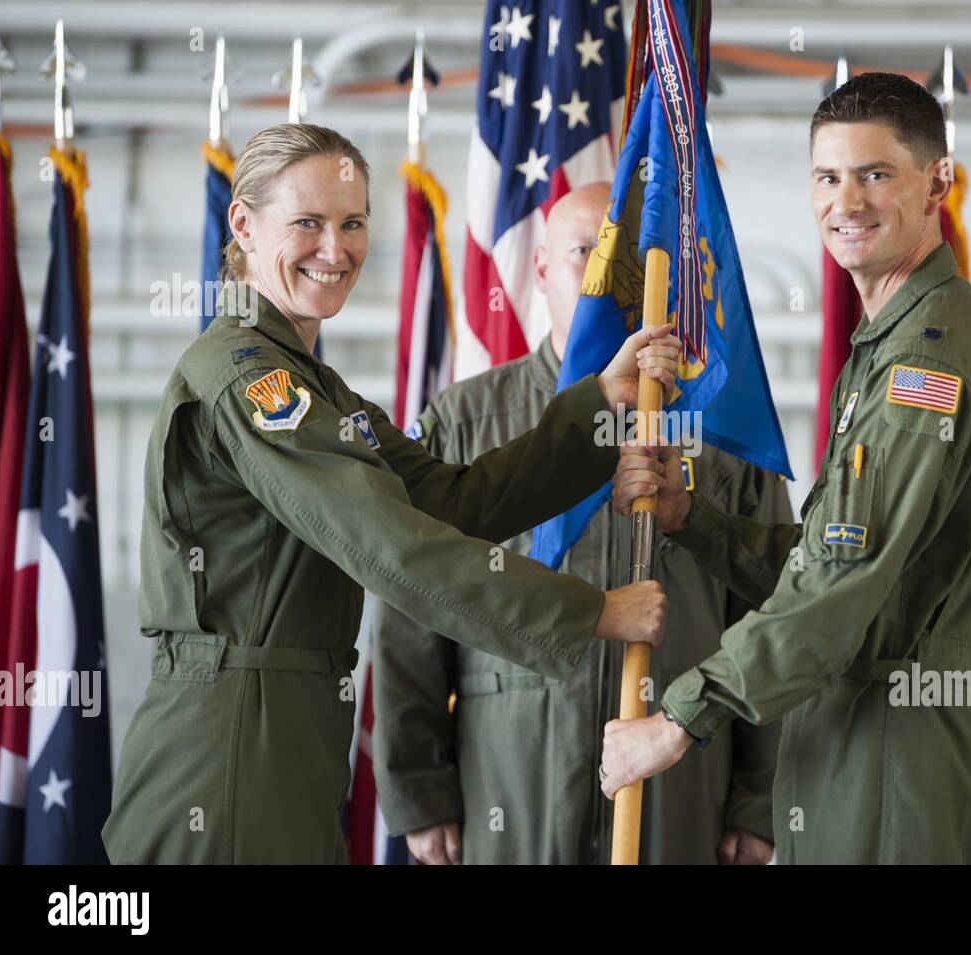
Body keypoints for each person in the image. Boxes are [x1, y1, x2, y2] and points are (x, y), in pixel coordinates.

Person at [101, 124, 682, 864]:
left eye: (352, 223)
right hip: (230, 750)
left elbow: (450, 499)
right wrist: (590, 610)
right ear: (243, 225)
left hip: (289, 738)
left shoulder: (313, 381)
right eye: (307, 223)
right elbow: (389, 542)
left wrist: (598, 401)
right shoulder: (251, 377)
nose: (334, 249)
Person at [600, 72, 971, 864]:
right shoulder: (888, 346)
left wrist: (679, 717)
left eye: (876, 174)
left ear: (939, 181)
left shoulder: (926, 364)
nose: (848, 202)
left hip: (900, 759)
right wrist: (689, 520)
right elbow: (826, 560)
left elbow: (843, 583)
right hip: (851, 741)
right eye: (828, 177)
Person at [373, 183, 789, 865]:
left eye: (624, 262)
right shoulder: (470, 421)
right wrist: (421, 790)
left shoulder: (716, 431)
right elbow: (408, 610)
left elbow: (771, 609)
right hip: (508, 785)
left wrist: (758, 799)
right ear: (538, 269)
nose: (604, 281)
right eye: (582, 255)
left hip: (682, 789)